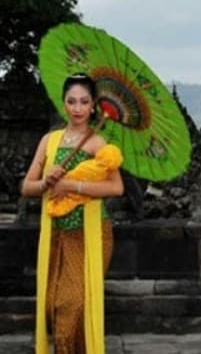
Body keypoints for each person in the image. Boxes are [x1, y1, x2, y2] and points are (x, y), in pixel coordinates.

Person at [20, 73, 124, 354]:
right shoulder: (49, 141)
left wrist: (72, 185)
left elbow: (116, 187)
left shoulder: (98, 144)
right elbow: (27, 186)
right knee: (53, 304)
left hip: (89, 234)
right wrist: (47, 182)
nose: (78, 108)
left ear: (93, 107)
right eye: (72, 101)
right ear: (63, 104)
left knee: (72, 304)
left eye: (84, 102)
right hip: (56, 233)